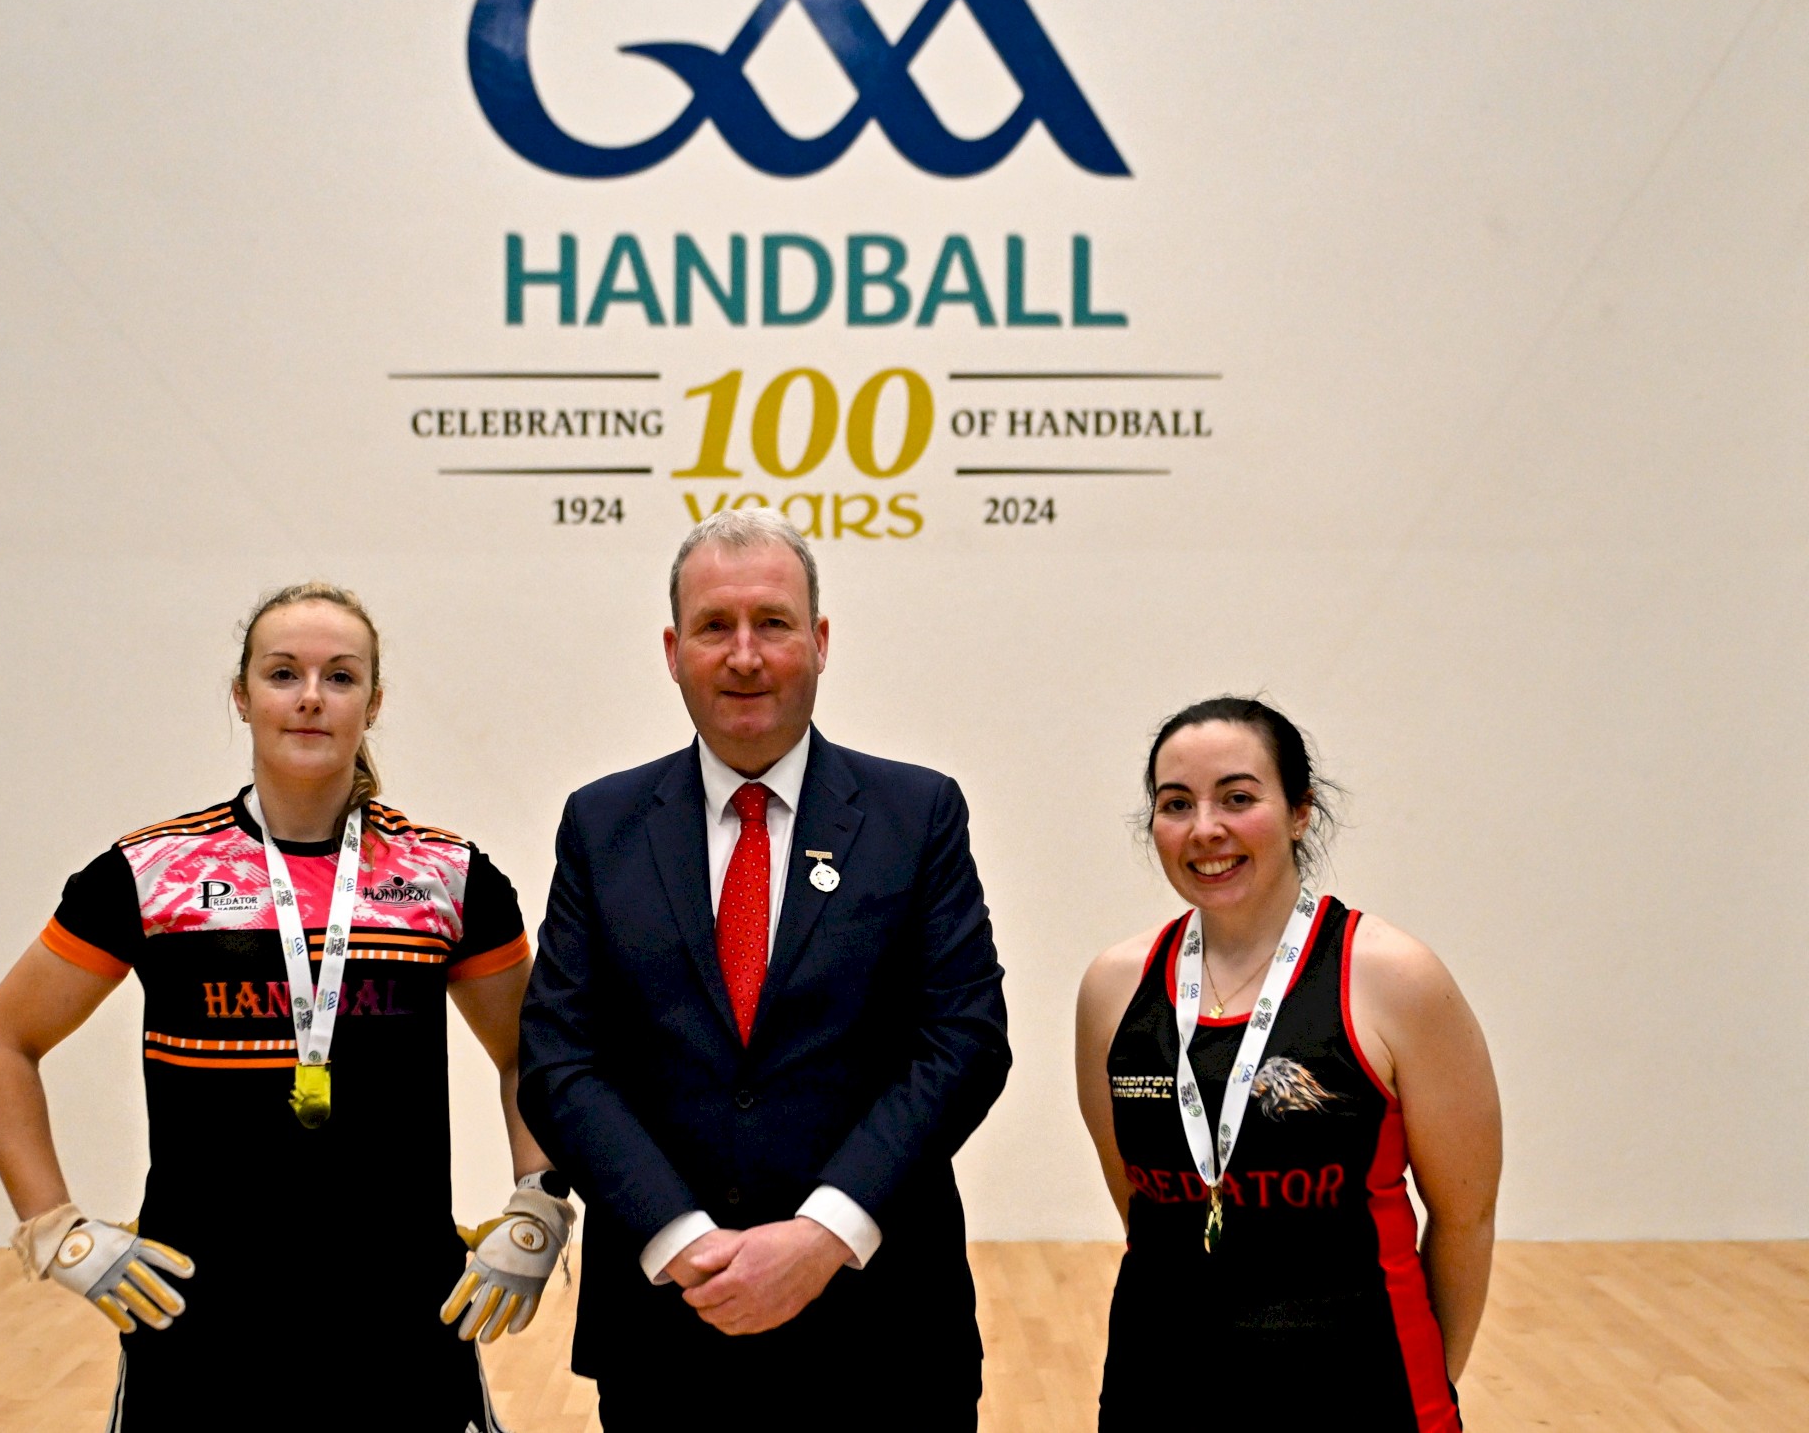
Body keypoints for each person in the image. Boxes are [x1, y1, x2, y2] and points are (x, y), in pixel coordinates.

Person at [0, 581, 573, 1431]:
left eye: (341, 676)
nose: (311, 697)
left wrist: (540, 1200)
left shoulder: (449, 875)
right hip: (196, 1314)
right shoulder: (149, 873)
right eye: (284, 674)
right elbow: (1, 1041)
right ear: (242, 697)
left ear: (374, 702)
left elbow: (528, 1052)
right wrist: (52, 1227)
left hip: (402, 1312)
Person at [516, 508, 1011, 1431]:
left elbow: (964, 1042)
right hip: (668, 1330)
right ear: (674, 652)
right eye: (715, 626)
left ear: (819, 642)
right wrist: (679, 1237)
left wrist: (825, 1233)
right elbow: (559, 1059)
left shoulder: (917, 815)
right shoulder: (600, 824)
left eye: (773, 623)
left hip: (884, 1333)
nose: (744, 655)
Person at [1076, 696, 1501, 1430]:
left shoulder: (1395, 978)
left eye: (1238, 798)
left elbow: (1466, 1218)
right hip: (1158, 1386)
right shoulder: (1113, 989)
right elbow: (1141, 1207)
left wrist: (1429, 1386)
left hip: (1357, 1392)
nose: (1205, 828)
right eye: (1176, 804)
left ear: (1301, 811)